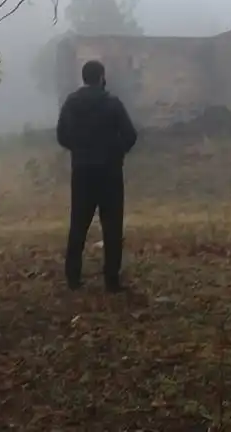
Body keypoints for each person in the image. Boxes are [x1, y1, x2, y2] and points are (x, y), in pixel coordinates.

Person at [57, 59, 139, 293]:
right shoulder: (112, 103)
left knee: (78, 225)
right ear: (102, 76)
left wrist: (80, 149)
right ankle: (111, 281)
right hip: (110, 173)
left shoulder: (72, 103)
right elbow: (130, 135)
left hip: (82, 172)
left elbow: (61, 135)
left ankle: (73, 278)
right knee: (112, 227)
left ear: (83, 78)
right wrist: (115, 151)